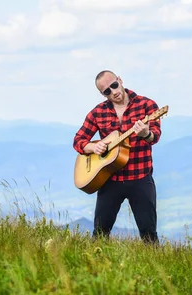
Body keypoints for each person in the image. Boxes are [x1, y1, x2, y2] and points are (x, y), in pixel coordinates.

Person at [73, 70, 162, 244]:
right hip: (109, 180)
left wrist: (145, 133)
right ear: (102, 94)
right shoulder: (97, 113)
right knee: (100, 234)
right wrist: (93, 146)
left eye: (114, 85)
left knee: (149, 235)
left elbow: (155, 137)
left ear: (120, 80)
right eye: (107, 91)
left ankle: (155, 270)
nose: (113, 92)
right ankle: (94, 267)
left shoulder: (147, 105)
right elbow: (78, 140)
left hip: (140, 179)